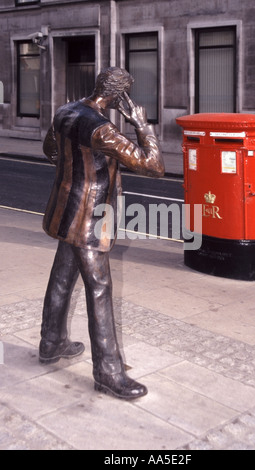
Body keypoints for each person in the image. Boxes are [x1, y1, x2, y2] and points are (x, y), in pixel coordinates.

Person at [39, 67, 164, 400]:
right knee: (99, 287)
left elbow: (49, 149)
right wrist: (140, 123)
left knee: (63, 276)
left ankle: (51, 343)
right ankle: (108, 372)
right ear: (118, 96)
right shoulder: (102, 129)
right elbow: (152, 165)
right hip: (89, 216)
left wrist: (72, 173)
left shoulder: (66, 110)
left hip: (65, 207)